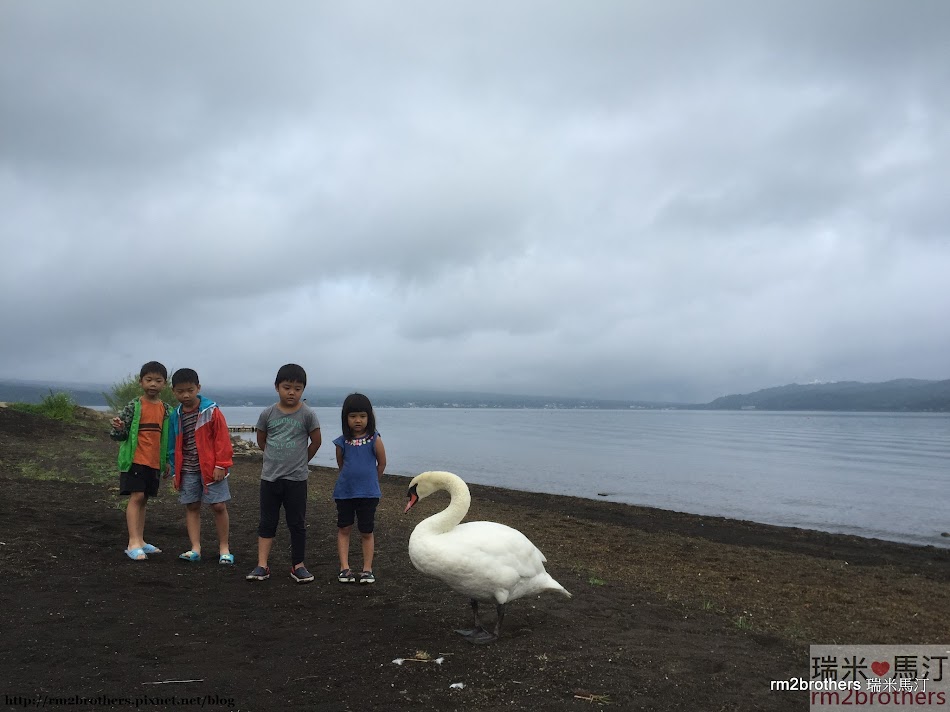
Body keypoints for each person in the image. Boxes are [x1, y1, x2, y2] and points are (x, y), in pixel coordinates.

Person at [246, 364, 322, 583]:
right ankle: (262, 565)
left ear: (303, 390)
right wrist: (274, 456)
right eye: (287, 387)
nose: (292, 392)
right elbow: (262, 439)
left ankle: (298, 565)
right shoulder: (267, 413)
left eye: (297, 388)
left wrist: (300, 460)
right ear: (277, 387)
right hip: (270, 478)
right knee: (267, 522)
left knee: (297, 523)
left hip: (297, 479)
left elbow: (316, 441)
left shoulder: (308, 414)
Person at [167, 368, 235, 565]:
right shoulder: (175, 415)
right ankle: (195, 548)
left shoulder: (211, 411)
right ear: (173, 391)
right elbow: (172, 444)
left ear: (198, 387)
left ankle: (224, 548)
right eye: (180, 391)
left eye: (190, 390)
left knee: (219, 505)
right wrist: (173, 470)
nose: (186, 395)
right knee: (192, 505)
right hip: (187, 468)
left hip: (211, 468)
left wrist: (222, 465)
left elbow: (222, 439)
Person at [110, 361, 171, 561]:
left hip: (154, 462)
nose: (153, 384)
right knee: (136, 497)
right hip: (135, 459)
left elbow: (168, 436)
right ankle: (132, 542)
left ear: (165, 384)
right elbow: (119, 434)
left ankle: (141, 540)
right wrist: (119, 428)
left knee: (144, 499)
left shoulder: (166, 409)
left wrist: (168, 460)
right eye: (149, 380)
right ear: (141, 382)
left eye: (158, 380)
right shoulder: (133, 406)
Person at [332, 393, 387, 584]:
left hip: (369, 494)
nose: (358, 420)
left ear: (369, 417)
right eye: (353, 416)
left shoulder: (374, 439)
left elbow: (381, 463)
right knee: (344, 528)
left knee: (366, 531)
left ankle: (367, 569)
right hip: (345, 493)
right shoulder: (341, 442)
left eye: (362, 416)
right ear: (345, 418)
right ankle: (344, 568)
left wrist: (371, 481)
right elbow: (341, 465)